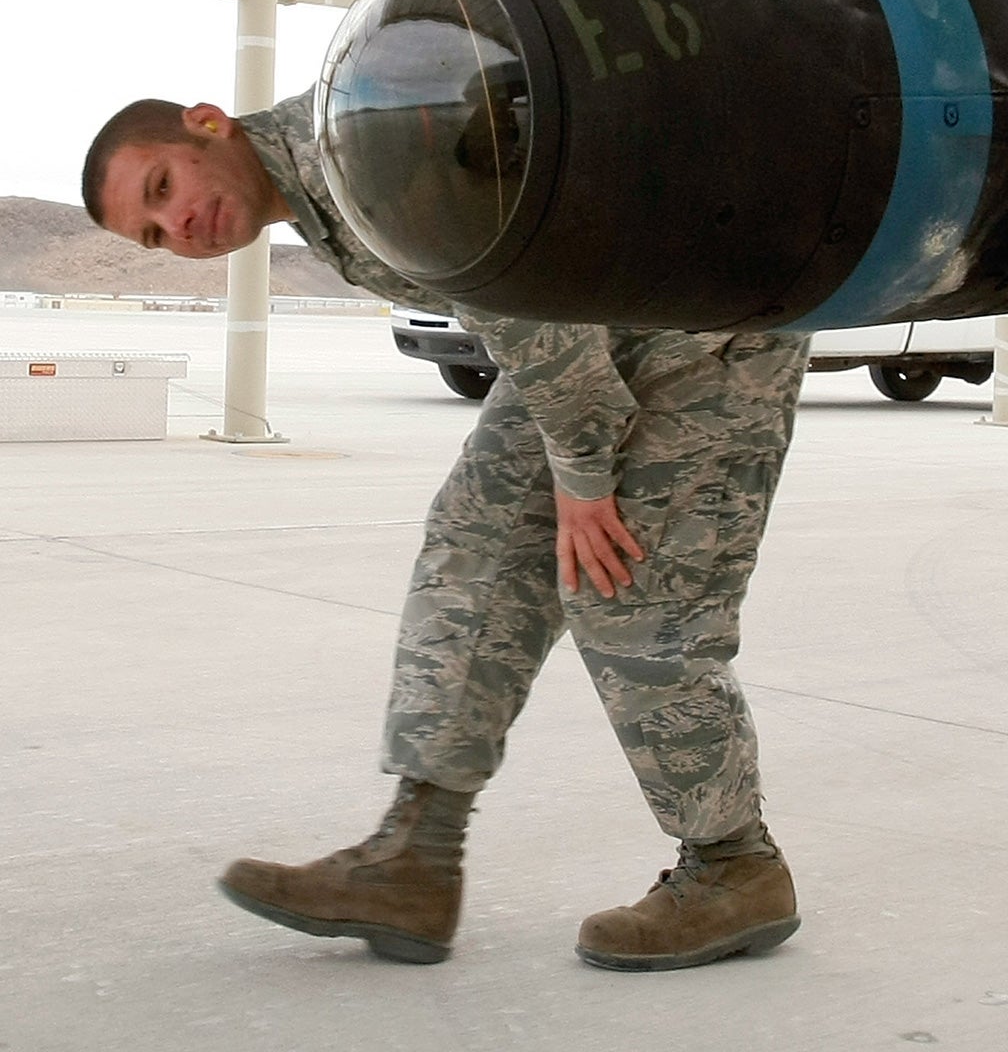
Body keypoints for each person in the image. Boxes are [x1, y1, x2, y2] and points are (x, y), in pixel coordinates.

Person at [81, 92, 811, 971]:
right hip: (600, 318)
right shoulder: (317, 188)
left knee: (635, 595)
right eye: (154, 234)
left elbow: (533, 307)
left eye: (162, 186)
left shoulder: (359, 147)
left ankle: (735, 866)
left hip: (711, 297)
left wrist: (583, 475)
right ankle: (413, 859)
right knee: (479, 544)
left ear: (208, 122)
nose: (180, 224)